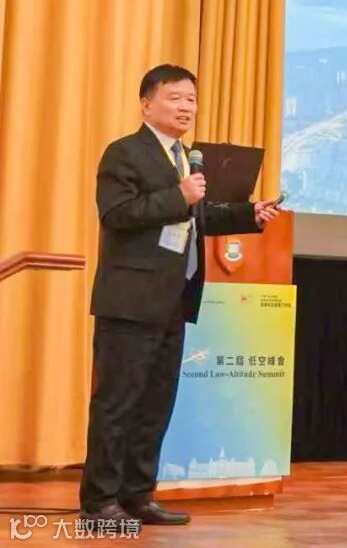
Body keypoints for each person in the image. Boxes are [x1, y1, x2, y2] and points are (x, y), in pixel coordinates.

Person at [78, 64, 282, 526]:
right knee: (117, 403)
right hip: (130, 301)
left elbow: (198, 217)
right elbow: (117, 214)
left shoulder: (188, 158)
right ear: (146, 103)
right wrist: (180, 195)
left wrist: (250, 214)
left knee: (156, 405)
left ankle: (137, 496)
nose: (186, 107)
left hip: (174, 299)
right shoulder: (124, 153)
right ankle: (99, 503)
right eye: (175, 98)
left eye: (191, 99)